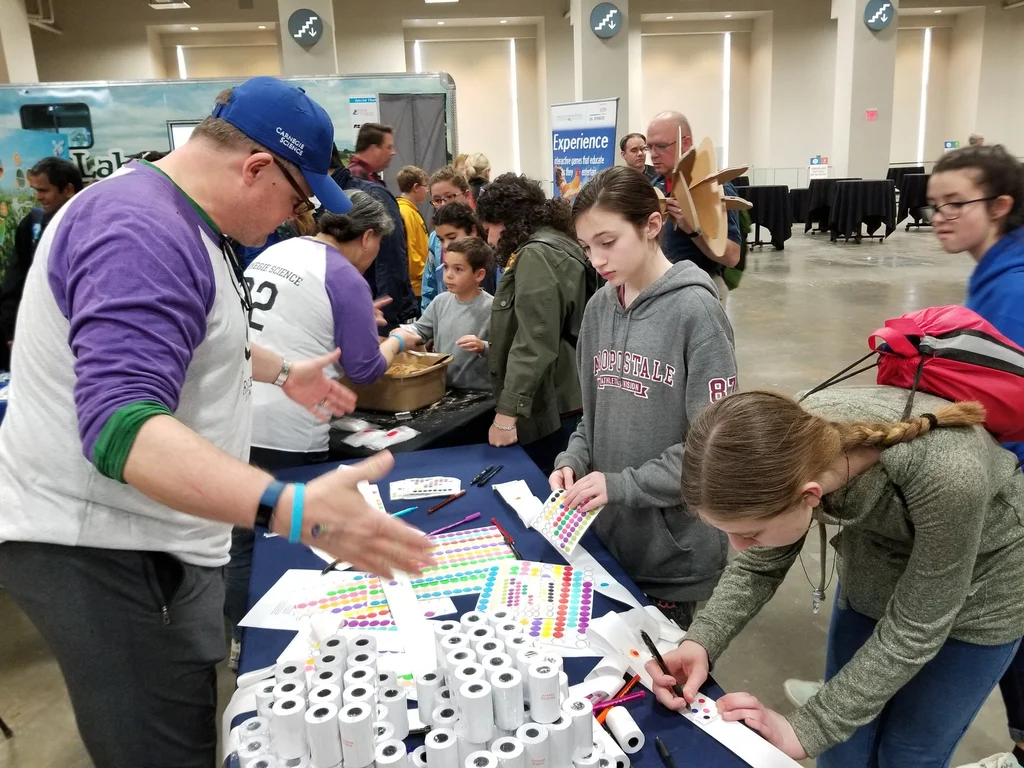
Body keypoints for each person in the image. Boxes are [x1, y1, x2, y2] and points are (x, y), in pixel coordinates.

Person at [0, 76, 432, 768]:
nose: (293, 220)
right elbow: (121, 427)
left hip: (149, 536)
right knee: (164, 742)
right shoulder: (139, 230)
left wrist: (285, 371)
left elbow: (201, 334)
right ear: (256, 167)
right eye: (295, 200)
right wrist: (289, 506)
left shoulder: (178, 217)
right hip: (112, 549)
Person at [647, 386, 1024, 766]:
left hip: (982, 588)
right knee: (845, 747)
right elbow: (760, 562)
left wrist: (810, 726)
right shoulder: (789, 453)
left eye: (750, 533)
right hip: (875, 566)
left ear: (810, 496)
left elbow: (917, 626)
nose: (739, 548)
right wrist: (701, 641)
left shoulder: (950, 473)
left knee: (909, 751)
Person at [550, 167, 736, 628]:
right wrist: (573, 457)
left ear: (652, 225)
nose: (596, 260)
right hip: (608, 539)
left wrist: (622, 484)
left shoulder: (696, 311)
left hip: (672, 554)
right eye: (587, 247)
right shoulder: (598, 309)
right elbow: (593, 417)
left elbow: (714, 450)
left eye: (608, 243)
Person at [224, 192, 405, 657]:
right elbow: (365, 370)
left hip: (236, 412)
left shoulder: (280, 251)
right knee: (286, 537)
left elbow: (294, 324)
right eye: (376, 247)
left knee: (243, 538)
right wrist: (399, 340)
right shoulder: (343, 275)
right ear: (368, 236)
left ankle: (240, 640)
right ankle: (282, 647)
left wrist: (355, 321)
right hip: (289, 425)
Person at [926, 145, 1024, 768]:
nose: (940, 216)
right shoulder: (992, 270)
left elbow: (1007, 407)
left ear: (1001, 206)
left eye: (955, 204)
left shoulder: (1011, 288)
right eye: (933, 205)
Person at [475, 172, 597, 474]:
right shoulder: (557, 243)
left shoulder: (535, 256)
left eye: (490, 228)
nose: (490, 240)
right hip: (568, 395)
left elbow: (533, 342)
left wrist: (506, 416)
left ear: (508, 221)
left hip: (558, 404)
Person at [646, 111, 741, 302]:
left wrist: (693, 229)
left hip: (699, 292)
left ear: (686, 142)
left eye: (661, 146)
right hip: (659, 291)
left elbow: (731, 256)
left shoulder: (712, 187)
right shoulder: (656, 185)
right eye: (650, 147)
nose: (654, 154)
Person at [0, 156, 82, 367]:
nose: (38, 197)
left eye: (44, 190)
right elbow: (16, 281)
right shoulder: (33, 226)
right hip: (42, 335)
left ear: (68, 189)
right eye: (35, 190)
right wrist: (11, 332)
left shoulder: (94, 222)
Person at [330, 147, 418, 328]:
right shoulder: (313, 202)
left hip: (377, 319)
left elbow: (391, 264)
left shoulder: (371, 197)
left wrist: (384, 325)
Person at [395, 237, 494, 391]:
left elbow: (505, 351)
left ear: (479, 275)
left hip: (479, 394)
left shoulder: (493, 308)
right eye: (446, 267)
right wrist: (402, 332)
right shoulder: (440, 302)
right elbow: (420, 330)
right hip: (442, 387)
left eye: (458, 269)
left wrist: (483, 347)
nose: (448, 275)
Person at [422, 201, 500, 307]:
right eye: (441, 240)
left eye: (452, 237)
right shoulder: (441, 271)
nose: (445, 245)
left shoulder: (496, 268)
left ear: (473, 231)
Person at [421, 166, 476, 311]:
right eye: (437, 200)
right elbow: (430, 283)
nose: (443, 204)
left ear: (466, 195)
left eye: (450, 197)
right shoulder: (434, 238)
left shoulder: (482, 233)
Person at [397, 165, 430, 299]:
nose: (427, 190)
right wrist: (426, 272)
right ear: (416, 187)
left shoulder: (410, 211)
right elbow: (411, 250)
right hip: (416, 286)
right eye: (425, 186)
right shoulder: (406, 212)